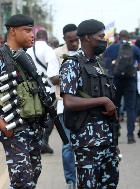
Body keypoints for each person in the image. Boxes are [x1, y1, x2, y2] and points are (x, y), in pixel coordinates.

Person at [0, 14, 44, 188]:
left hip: (33, 127)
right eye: (27, 31)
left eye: (32, 30)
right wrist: (2, 125)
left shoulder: (25, 58)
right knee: (22, 180)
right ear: (13, 31)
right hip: (14, 128)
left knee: (34, 173)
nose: (32, 35)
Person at [60, 19, 120, 188]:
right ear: (87, 38)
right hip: (87, 142)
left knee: (110, 184)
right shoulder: (72, 64)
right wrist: (103, 100)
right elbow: (69, 101)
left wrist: (114, 144)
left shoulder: (99, 64)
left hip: (107, 140)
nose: (104, 40)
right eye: (100, 36)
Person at [54, 24, 79, 189]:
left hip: (84, 105)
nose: (75, 44)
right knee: (68, 145)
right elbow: (53, 78)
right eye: (71, 41)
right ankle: (70, 181)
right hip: (64, 105)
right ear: (64, 39)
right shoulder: (57, 53)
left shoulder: (84, 52)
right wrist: (69, 72)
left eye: (77, 40)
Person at [103, 30, 140, 144]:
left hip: (116, 80)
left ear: (119, 37)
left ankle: (115, 132)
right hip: (130, 81)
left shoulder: (112, 48)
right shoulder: (134, 49)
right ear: (128, 37)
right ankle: (130, 136)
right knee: (130, 108)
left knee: (115, 106)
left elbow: (106, 64)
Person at [27, 29, 58, 154]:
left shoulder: (29, 50)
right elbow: (53, 74)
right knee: (50, 116)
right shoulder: (49, 50)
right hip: (47, 89)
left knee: (33, 115)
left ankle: (34, 143)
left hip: (31, 88)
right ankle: (44, 141)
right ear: (46, 38)